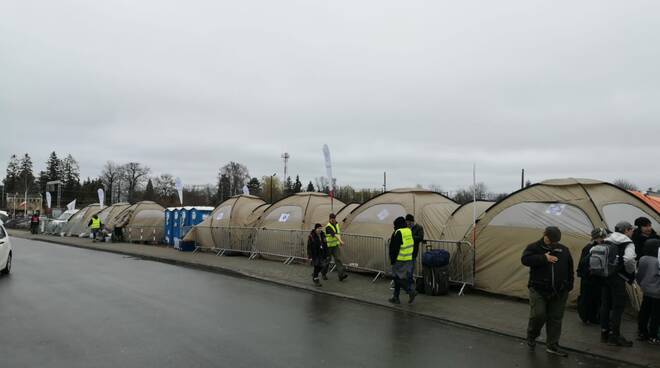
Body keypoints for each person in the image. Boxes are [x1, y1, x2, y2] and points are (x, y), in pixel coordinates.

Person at [521, 226, 574, 357]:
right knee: (538, 315)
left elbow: (570, 268)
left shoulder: (564, 250)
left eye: (555, 241)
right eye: (551, 240)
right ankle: (532, 335)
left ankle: (552, 345)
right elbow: (525, 260)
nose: (553, 243)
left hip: (560, 291)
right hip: (538, 289)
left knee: (555, 318)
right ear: (545, 235)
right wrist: (544, 258)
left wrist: (569, 285)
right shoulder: (533, 247)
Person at [598, 221, 637, 347]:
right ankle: (615, 336)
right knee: (618, 306)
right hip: (618, 277)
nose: (632, 232)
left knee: (605, 304)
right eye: (631, 229)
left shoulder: (608, 239)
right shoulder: (627, 242)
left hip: (604, 276)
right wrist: (631, 272)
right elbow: (629, 259)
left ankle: (604, 334)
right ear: (626, 230)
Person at [577, 228, 607, 324]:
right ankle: (586, 317)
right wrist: (587, 273)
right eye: (600, 237)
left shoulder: (603, 247)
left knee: (596, 298)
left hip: (597, 278)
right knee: (587, 298)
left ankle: (593, 317)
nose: (602, 239)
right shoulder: (589, 248)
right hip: (589, 278)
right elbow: (583, 263)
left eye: (603, 237)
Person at [388, 216, 418, 304]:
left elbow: (394, 248)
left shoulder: (398, 232)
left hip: (399, 259)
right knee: (400, 277)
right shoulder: (408, 230)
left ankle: (410, 291)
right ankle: (396, 297)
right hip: (408, 258)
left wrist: (392, 259)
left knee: (396, 277)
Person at [636, 239, 660, 344]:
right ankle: (653, 336)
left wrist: (642, 284)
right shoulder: (658, 261)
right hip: (658, 292)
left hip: (646, 290)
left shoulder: (643, 258)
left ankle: (642, 332)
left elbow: (639, 274)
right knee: (656, 314)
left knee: (644, 311)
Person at [325, 213, 347, 281]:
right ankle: (323, 273)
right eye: (332, 219)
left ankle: (341, 275)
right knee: (327, 261)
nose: (333, 220)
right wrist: (340, 241)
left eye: (334, 218)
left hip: (335, 246)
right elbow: (334, 235)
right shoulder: (328, 227)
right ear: (329, 219)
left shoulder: (336, 224)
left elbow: (338, 233)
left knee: (338, 259)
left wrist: (339, 242)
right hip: (328, 246)